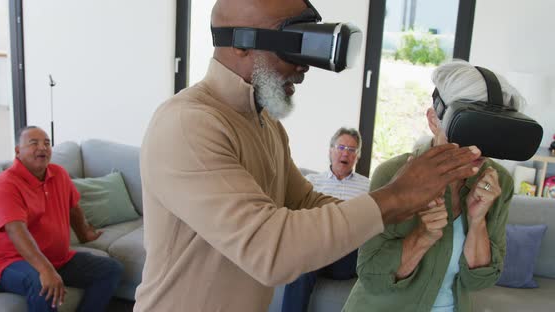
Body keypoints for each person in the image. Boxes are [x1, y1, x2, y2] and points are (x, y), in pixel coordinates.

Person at [134, 1, 481, 311]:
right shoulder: (188, 124)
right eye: (292, 50)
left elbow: (305, 202)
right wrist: (396, 197)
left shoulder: (264, 123)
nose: (303, 69)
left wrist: (405, 208)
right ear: (241, 44)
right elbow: (271, 249)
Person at [343, 60, 517, 312]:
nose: (478, 147)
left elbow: (480, 280)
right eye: (469, 127)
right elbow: (372, 276)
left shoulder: (499, 183)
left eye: (490, 130)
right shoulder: (392, 174)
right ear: (434, 120)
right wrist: (422, 237)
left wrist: (478, 221)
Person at [0, 126, 124, 312]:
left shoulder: (59, 174)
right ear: (17, 151)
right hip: (9, 263)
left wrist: (85, 234)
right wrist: (46, 270)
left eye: (47, 143)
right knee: (42, 284)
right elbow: (17, 232)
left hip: (56, 259)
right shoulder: (5, 186)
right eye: (34, 143)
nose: (43, 148)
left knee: (111, 269)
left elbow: (73, 208)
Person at [281, 127, 370, 312]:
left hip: (348, 256)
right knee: (304, 265)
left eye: (352, 150)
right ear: (331, 150)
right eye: (341, 147)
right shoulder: (311, 182)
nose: (345, 153)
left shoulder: (367, 186)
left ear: (357, 156)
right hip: (317, 248)